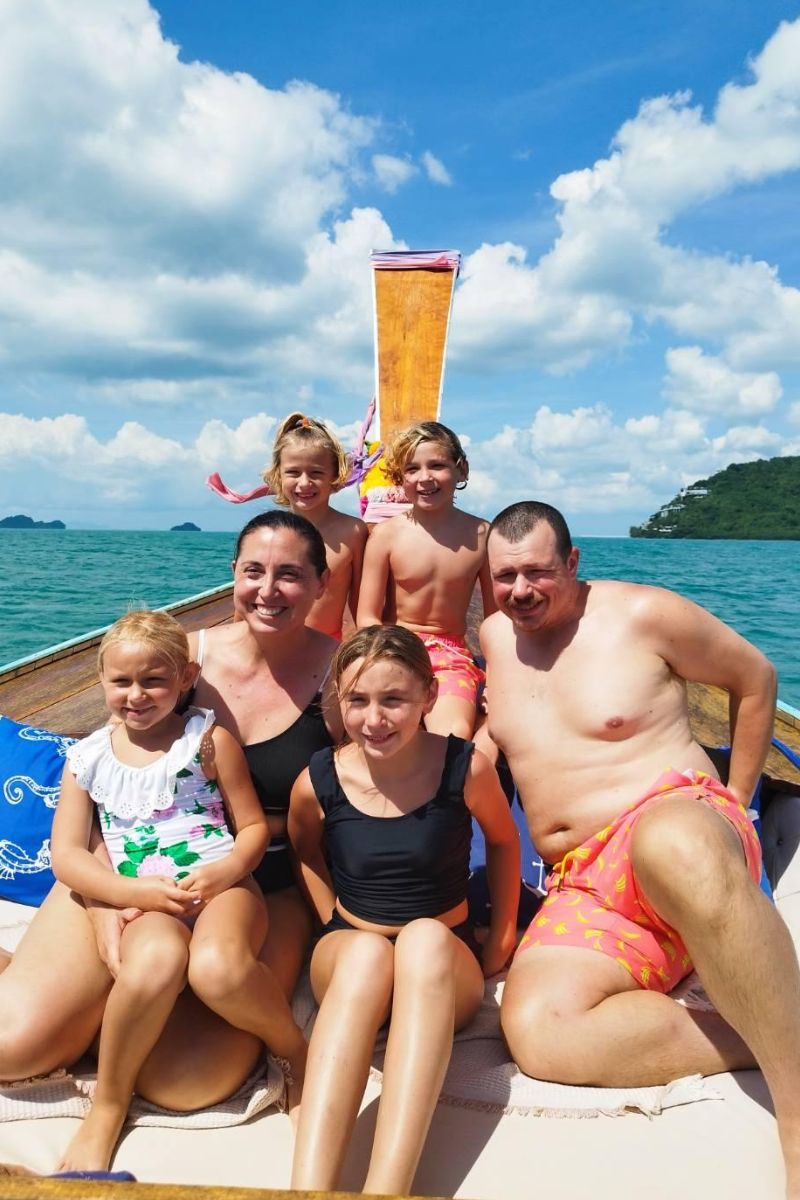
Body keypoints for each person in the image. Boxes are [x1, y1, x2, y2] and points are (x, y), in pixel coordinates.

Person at [481, 499, 800, 1199]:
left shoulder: (643, 614)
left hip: (676, 832)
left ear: (573, 562)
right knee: (539, 1029)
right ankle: (771, 1022)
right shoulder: (494, 640)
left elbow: (755, 682)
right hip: (585, 884)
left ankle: (798, 1123)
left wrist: (738, 808)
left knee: (671, 837)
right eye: (505, 577)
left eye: (538, 572)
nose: (521, 591)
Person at [0, 510, 339, 1123]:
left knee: (186, 1082)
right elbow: (116, 781)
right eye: (254, 571)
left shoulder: (341, 679)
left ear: (321, 583)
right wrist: (109, 901)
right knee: (12, 1046)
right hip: (126, 866)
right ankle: (64, 989)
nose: (268, 590)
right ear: (232, 573)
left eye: (290, 575)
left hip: (263, 884)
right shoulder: (180, 663)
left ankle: (112, 1008)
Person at [50, 610, 307, 1171]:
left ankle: (290, 1047)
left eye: (154, 680)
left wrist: (226, 872)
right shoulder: (87, 758)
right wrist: (127, 894)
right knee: (153, 962)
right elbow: (67, 854)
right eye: (121, 681)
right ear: (100, 680)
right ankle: (108, 1106)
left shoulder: (208, 740)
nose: (136, 695)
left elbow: (253, 826)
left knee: (216, 966)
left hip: (224, 888)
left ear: (187, 677)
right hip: (148, 900)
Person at [288, 624, 519, 1195]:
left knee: (420, 938)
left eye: (393, 699)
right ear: (339, 702)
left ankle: (387, 1189)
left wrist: (501, 939)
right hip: (352, 949)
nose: (374, 719)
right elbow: (307, 856)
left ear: (428, 699)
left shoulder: (465, 768)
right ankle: (304, 1189)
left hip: (442, 958)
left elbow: (506, 842)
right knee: (366, 953)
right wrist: (329, 924)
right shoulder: (318, 780)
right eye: (358, 701)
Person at [356, 421, 496, 738]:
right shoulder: (386, 536)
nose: (425, 478)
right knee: (375, 726)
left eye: (437, 465)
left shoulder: (483, 536)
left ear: (461, 470)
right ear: (399, 477)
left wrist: (499, 676)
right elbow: (367, 615)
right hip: (394, 648)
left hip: (451, 655)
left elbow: (494, 617)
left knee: (454, 735)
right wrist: (380, 655)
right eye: (412, 469)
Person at [263, 412, 367, 638]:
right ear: (278, 475)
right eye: (293, 472)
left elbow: (361, 605)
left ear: (335, 475)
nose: (304, 483)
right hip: (272, 646)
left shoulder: (353, 532)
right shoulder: (266, 532)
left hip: (325, 652)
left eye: (316, 473)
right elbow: (247, 603)